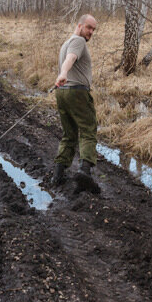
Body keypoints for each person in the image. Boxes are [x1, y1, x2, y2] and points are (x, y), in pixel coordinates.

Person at [52, 14, 98, 188]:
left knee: (69, 134)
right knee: (88, 130)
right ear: (79, 26)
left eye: (93, 29)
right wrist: (63, 74)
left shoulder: (66, 43)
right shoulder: (78, 42)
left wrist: (63, 76)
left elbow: (68, 59)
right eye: (89, 27)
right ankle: (84, 172)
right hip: (77, 93)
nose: (91, 32)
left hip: (62, 93)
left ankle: (58, 175)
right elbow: (70, 59)